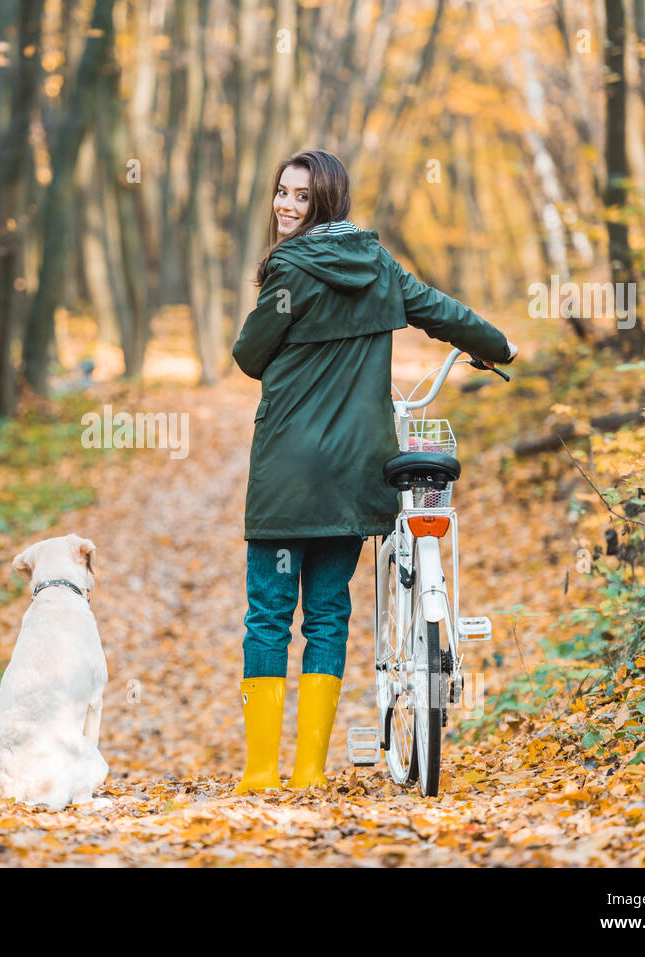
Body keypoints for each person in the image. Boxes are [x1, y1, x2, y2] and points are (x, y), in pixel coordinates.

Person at [230, 148, 518, 793]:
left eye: (301, 196)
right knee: (329, 614)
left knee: (268, 615)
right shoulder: (378, 267)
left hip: (288, 468)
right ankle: (307, 772)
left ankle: (260, 772)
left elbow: (249, 355)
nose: (286, 205)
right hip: (357, 470)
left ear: (324, 202)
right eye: (282, 192)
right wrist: (498, 346)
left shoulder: (289, 270)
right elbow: (439, 311)